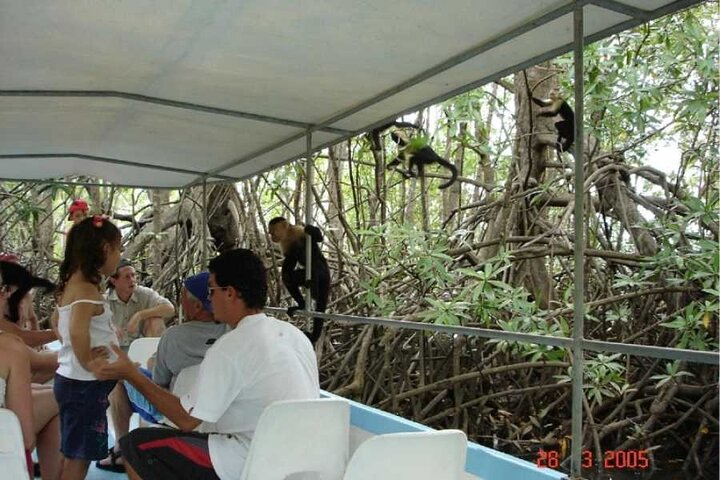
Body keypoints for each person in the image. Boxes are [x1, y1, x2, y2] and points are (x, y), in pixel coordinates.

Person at [95, 248, 320, 480]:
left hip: (249, 459)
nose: (209, 298)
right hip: (305, 456)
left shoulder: (229, 347)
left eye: (212, 290)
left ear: (230, 293)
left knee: (135, 446)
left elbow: (185, 420)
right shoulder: (295, 336)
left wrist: (132, 373)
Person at [96, 271, 226, 473]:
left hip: (176, 410)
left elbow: (158, 380)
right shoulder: (232, 334)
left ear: (199, 305)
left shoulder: (175, 337)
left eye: (183, 297)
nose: (180, 302)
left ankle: (122, 449)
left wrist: (143, 366)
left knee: (121, 378)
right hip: (217, 414)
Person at [54, 215, 123, 480]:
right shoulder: (84, 290)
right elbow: (76, 329)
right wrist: (87, 361)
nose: (119, 257)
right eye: (118, 250)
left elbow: (58, 321)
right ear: (105, 250)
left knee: (73, 452)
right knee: (78, 458)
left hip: (78, 387)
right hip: (83, 387)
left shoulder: (75, 284)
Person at [0, 268, 62, 480]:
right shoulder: (9, 346)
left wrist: (34, 322)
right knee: (60, 398)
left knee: (42, 389)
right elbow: (25, 439)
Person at [106, 258, 174, 349]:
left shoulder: (144, 293)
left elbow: (170, 309)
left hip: (141, 347)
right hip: (113, 349)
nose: (132, 280)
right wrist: (109, 327)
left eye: (133, 275)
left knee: (155, 321)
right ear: (114, 281)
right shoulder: (104, 299)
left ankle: (155, 358)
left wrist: (140, 315)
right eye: (127, 277)